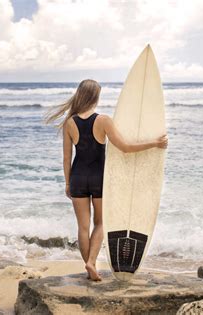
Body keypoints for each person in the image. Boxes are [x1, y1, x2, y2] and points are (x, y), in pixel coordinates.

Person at [43, 79, 168, 281]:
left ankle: (88, 268)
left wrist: (67, 183)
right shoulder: (103, 120)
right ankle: (92, 261)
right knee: (101, 222)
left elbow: (66, 158)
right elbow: (126, 148)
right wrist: (155, 143)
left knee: (83, 227)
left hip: (77, 178)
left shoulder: (69, 123)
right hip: (99, 178)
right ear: (95, 97)